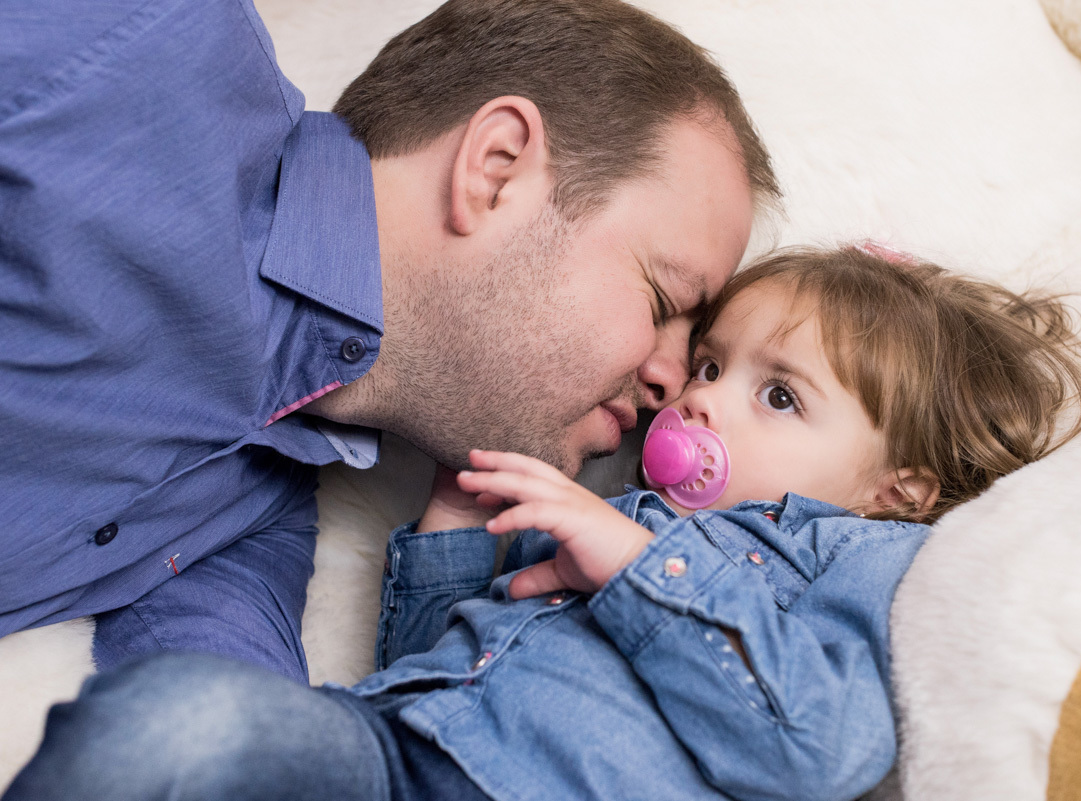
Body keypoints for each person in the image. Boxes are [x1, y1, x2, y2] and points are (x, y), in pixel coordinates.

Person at [4, 245, 1081, 801]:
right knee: (179, 715)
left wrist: (636, 565)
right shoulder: (611, 511)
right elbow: (439, 669)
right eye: (710, 365)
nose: (701, 399)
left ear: (896, 484)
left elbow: (816, 751)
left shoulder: (863, 559)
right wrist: (449, 533)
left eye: (778, 396)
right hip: (393, 756)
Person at [0, 0, 777, 682]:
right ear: (496, 170)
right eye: (663, 298)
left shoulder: (254, 518)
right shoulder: (143, 40)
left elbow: (238, 741)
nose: (673, 384)